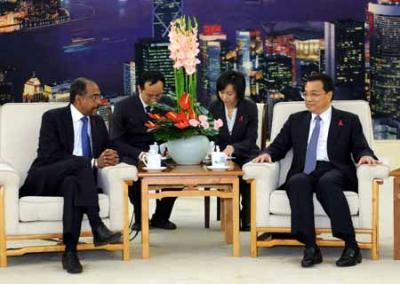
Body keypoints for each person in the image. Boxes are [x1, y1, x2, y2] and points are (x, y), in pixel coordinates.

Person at [253, 73, 380, 267]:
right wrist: (268, 153)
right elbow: (278, 145)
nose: (309, 99)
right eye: (306, 94)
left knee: (327, 182)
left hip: (334, 169)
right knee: (297, 181)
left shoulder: (348, 120)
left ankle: (351, 244)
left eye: (314, 94)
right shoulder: (296, 120)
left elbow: (360, 146)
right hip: (305, 169)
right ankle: (311, 247)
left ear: (329, 95)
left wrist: (366, 155)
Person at [20, 78, 121, 274]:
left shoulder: (98, 122)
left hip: (77, 182)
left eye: (99, 97)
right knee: (82, 163)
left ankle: (70, 251)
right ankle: (96, 224)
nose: (99, 102)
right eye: (94, 97)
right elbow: (49, 155)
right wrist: (91, 162)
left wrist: (111, 155)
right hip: (46, 176)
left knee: (72, 183)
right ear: (78, 99)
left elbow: (109, 146)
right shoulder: (53, 117)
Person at [110, 71, 177, 230]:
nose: (154, 99)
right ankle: (140, 217)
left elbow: (176, 131)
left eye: (158, 95)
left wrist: (169, 146)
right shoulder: (123, 106)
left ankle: (161, 216)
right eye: (150, 95)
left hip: (161, 152)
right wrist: (139, 154)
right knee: (130, 172)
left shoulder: (168, 103)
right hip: (133, 152)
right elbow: (115, 139)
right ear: (140, 89)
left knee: (180, 173)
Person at [209, 70, 260, 231]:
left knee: (246, 174)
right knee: (222, 174)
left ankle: (247, 219)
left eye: (229, 93)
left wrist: (235, 148)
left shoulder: (249, 107)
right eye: (222, 92)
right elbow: (210, 134)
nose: (225, 97)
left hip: (245, 152)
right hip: (221, 154)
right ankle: (231, 216)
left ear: (238, 92)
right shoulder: (214, 107)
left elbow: (252, 138)